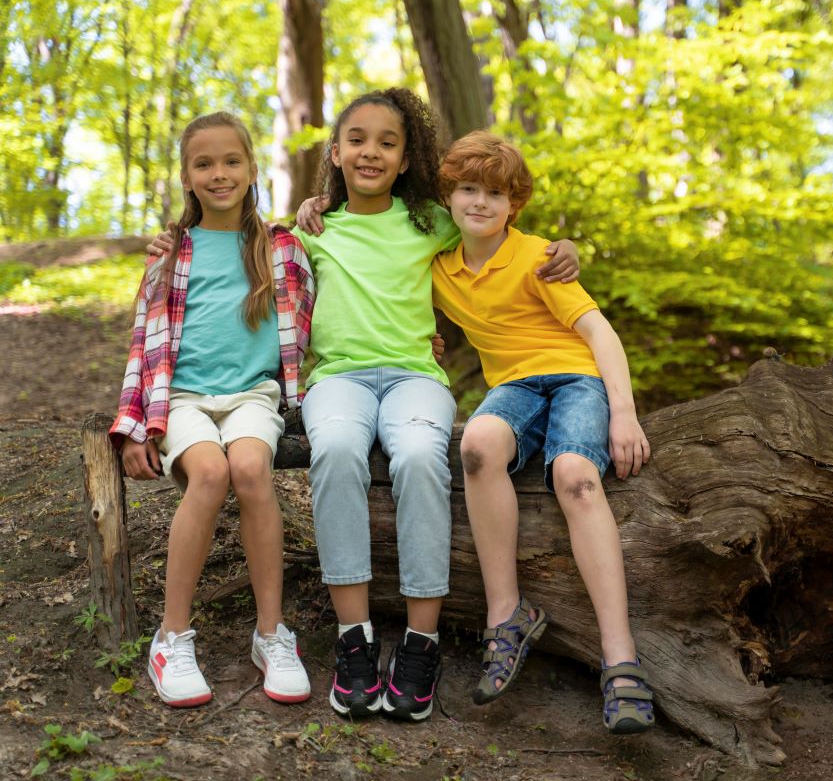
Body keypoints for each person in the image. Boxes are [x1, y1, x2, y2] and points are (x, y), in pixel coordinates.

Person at [287, 89, 579, 721]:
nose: (371, 152)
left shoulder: (431, 221)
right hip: (338, 378)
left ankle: (422, 642)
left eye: (387, 143)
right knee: (336, 450)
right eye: (357, 140)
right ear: (335, 153)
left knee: (422, 454)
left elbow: (498, 226)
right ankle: (353, 639)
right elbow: (246, 262)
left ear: (405, 157)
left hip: (417, 376)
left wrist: (567, 249)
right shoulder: (311, 230)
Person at [431, 131, 655, 734]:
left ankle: (620, 659)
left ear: (514, 206)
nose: (480, 203)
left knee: (574, 474)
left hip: (576, 377)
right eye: (468, 190)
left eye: (495, 194)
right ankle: (507, 615)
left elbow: (600, 334)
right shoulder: (440, 266)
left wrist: (624, 411)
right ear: (448, 198)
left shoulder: (538, 257)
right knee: (476, 446)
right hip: (515, 387)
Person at [111, 111, 315, 708]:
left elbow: (322, 323)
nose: (219, 173)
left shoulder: (282, 247)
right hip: (182, 399)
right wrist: (130, 428)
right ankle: (172, 638)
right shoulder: (171, 254)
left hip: (254, 395)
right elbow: (143, 348)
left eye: (232, 161)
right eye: (204, 163)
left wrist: (420, 344)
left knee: (250, 469)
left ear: (252, 169)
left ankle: (272, 635)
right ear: (187, 176)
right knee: (211, 472)